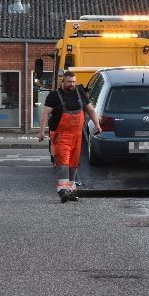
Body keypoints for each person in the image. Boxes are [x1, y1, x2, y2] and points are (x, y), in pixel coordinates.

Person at [38, 71, 102, 203]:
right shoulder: (54, 95)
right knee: (63, 162)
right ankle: (62, 190)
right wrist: (41, 131)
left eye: (73, 82)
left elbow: (90, 110)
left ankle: (71, 189)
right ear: (63, 82)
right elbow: (46, 114)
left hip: (77, 135)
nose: (71, 84)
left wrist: (97, 125)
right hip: (61, 135)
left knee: (74, 164)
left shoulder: (80, 93)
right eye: (69, 82)